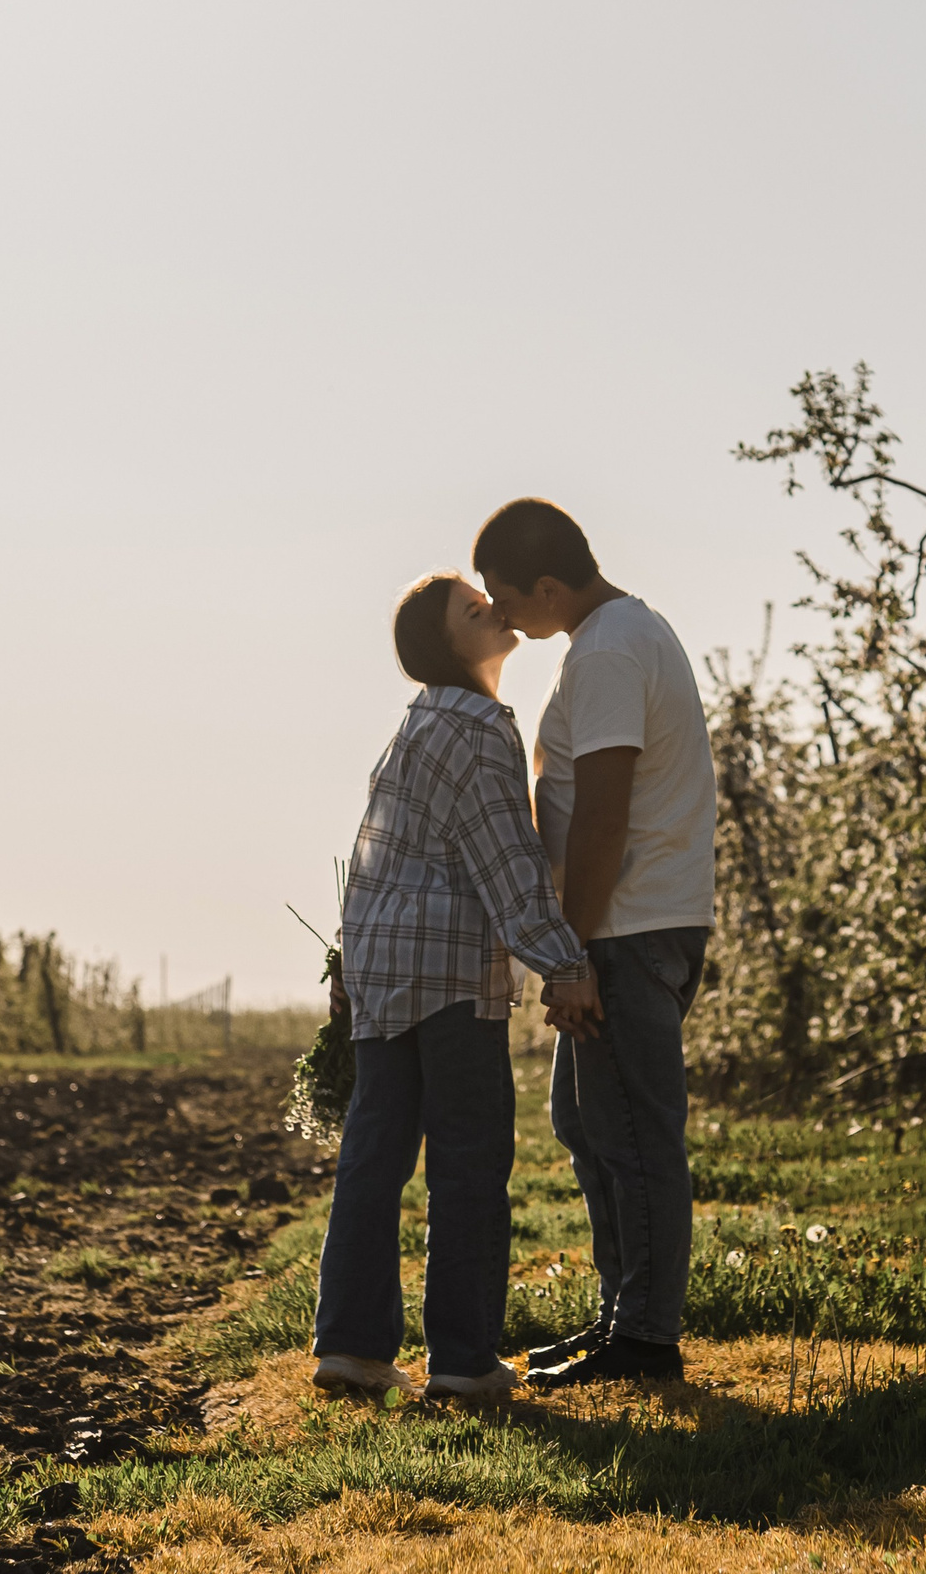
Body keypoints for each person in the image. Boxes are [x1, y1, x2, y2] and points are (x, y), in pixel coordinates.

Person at [311, 571, 605, 1405]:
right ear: (448, 646)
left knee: (374, 1158)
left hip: (383, 977)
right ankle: (465, 1361)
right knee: (469, 1163)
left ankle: (352, 1347)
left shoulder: (409, 731)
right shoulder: (478, 726)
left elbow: (369, 863)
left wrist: (350, 973)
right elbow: (507, 861)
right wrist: (566, 963)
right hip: (448, 977)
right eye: (471, 609)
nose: (489, 608)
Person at [475, 498, 716, 1387]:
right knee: (586, 1120)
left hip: (626, 925)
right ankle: (624, 1316)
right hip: (626, 922)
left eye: (508, 599)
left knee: (633, 1135)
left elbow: (605, 814)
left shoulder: (611, 649)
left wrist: (571, 953)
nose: (503, 617)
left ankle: (645, 1337)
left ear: (548, 584)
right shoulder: (614, 637)